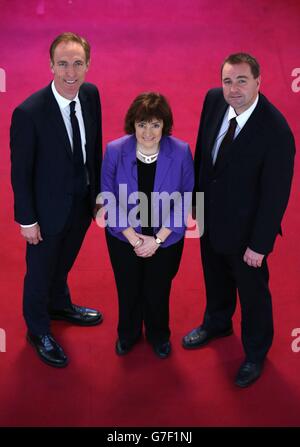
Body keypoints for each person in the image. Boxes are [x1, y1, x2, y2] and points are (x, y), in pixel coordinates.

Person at [182, 53, 295, 387]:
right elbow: (204, 153)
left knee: (253, 295)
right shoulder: (214, 99)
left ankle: (256, 353)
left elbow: (275, 196)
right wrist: (195, 204)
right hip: (210, 218)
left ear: (259, 82)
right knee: (214, 278)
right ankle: (217, 322)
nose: (233, 89)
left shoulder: (276, 132)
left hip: (247, 235)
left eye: (242, 81)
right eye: (228, 81)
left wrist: (260, 245)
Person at [10, 32, 103, 368]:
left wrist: (97, 196)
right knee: (39, 272)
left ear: (88, 65)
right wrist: (27, 220)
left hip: (81, 202)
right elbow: (20, 173)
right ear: (50, 65)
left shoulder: (90, 95)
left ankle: (59, 304)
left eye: (78, 63)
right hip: (46, 211)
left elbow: (94, 148)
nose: (70, 72)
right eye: (63, 63)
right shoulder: (29, 113)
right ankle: (37, 330)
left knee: (63, 263)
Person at [101, 92, 194, 358]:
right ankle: (128, 333)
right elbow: (107, 196)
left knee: (158, 289)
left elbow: (187, 198)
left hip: (166, 240)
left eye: (155, 124)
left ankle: (158, 334)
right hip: (123, 237)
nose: (148, 132)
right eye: (142, 124)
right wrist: (134, 238)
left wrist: (158, 240)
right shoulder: (115, 150)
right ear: (133, 125)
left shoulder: (181, 151)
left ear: (164, 125)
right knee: (128, 287)